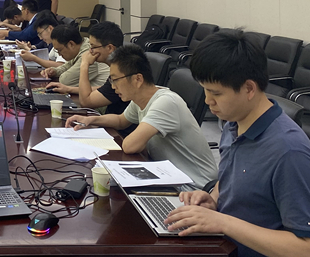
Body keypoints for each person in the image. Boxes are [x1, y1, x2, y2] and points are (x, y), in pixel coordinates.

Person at [164, 30, 310, 257]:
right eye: (205, 90)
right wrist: (213, 200)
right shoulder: (234, 124)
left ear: (249, 88)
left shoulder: (290, 152)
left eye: (216, 93)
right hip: (224, 249)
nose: (208, 101)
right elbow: (234, 178)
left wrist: (223, 222)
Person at [66, 44, 217, 189]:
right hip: (167, 175)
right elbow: (120, 121)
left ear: (138, 79)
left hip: (193, 186)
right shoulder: (142, 99)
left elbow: (130, 146)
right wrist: (91, 119)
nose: (113, 86)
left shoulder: (166, 103)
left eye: (115, 80)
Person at [74, 21, 132, 116]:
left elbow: (85, 102)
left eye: (93, 47)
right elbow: (105, 89)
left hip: (117, 124)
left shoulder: (122, 72)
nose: (90, 51)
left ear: (110, 48)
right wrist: (68, 89)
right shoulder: (123, 62)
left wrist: (84, 64)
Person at [41, 24, 109, 94]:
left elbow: (65, 81)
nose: (59, 54)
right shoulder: (80, 46)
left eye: (60, 50)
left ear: (71, 44)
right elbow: (67, 66)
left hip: (102, 97)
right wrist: (54, 71)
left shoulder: (88, 53)